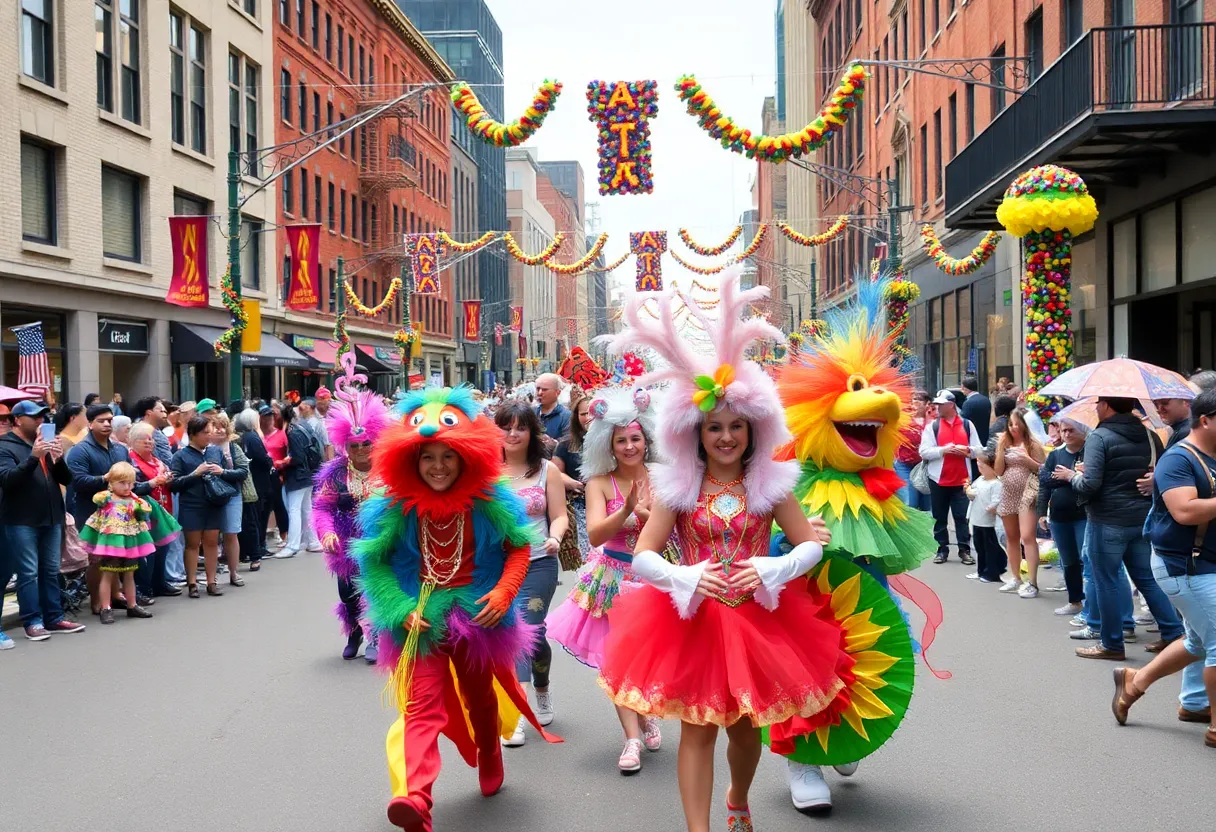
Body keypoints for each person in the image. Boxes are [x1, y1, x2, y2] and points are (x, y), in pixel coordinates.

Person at [598, 271, 889, 832]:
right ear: (694, 433)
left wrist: (774, 566)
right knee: (697, 728)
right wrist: (684, 576)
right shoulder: (676, 487)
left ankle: (737, 797)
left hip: (761, 618)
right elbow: (643, 557)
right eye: (714, 428)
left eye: (735, 426)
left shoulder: (771, 485)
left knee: (745, 730)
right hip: (691, 620)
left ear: (754, 430)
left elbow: (807, 546)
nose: (725, 437)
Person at [352, 385, 560, 832]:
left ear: (466, 456)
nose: (438, 466)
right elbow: (375, 563)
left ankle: (489, 752)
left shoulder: (491, 499)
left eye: (448, 455)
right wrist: (398, 607)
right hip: (421, 620)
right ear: (412, 459)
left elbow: (519, 551)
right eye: (428, 456)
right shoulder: (392, 506)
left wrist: (503, 593)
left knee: (480, 698)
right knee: (421, 708)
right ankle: (416, 799)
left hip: (478, 620)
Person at [547, 386, 664, 772]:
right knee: (618, 661)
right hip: (612, 578)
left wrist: (648, 515)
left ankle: (646, 713)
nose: (630, 446)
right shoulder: (600, 481)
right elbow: (595, 534)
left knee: (649, 659)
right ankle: (631, 739)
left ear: (647, 440)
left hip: (654, 577)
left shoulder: (663, 477)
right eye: (621, 441)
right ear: (607, 445)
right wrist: (629, 511)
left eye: (635, 438)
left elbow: (677, 528)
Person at [1111, 388, 1216, 747]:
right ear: (1206, 420)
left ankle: (1135, 683)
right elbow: (1184, 511)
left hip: (1205, 564)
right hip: (1183, 567)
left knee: (1199, 640)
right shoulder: (1179, 459)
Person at [1069, 397, 1184, 660]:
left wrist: (1073, 477)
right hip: (1141, 517)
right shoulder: (1149, 434)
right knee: (1146, 578)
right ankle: (1173, 633)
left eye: (1099, 403)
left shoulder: (1100, 436)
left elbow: (1090, 484)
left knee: (1107, 581)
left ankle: (1111, 644)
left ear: (1107, 406)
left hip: (1107, 519)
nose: (1096, 407)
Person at [494, 400, 570, 746]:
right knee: (513, 635)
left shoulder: (545, 471)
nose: (512, 434)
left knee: (529, 630)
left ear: (531, 432)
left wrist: (555, 536)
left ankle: (533, 697)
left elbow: (559, 515)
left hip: (539, 562)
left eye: (520, 427)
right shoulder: (483, 470)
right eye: (505, 427)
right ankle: (523, 704)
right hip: (494, 566)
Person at [313, 358, 391, 661]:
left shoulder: (389, 470)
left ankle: (375, 636)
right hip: (345, 543)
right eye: (354, 445)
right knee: (348, 593)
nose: (360, 450)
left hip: (380, 540)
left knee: (376, 588)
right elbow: (322, 508)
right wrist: (327, 532)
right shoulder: (335, 473)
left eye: (366, 443)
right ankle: (354, 631)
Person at [0, 400, 85, 640]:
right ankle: (32, 621)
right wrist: (33, 458)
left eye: (42, 416)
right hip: (21, 520)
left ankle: (54, 618)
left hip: (51, 517)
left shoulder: (44, 445)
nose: (41, 420)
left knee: (50, 570)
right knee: (29, 573)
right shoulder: (5, 447)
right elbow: (7, 480)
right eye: (34, 417)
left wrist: (57, 459)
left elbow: (67, 480)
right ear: (17, 420)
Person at [68, 405, 157, 613]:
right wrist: (105, 479)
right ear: (90, 424)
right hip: (92, 512)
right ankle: (98, 603)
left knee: (119, 556)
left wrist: (144, 485)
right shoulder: (80, 450)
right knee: (96, 559)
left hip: (122, 515)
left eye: (110, 419)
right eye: (101, 420)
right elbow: (78, 481)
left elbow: (130, 478)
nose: (107, 424)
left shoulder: (119, 449)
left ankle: (116, 596)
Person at [78, 462, 180, 624]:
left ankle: (132, 605)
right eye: (122, 483)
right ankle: (106, 607)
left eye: (130, 483)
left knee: (129, 574)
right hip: (111, 544)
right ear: (111, 483)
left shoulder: (135, 500)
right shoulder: (106, 499)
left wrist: (141, 509)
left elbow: (142, 517)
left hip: (130, 543)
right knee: (108, 574)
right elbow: (97, 519)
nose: (127, 487)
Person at [919, 389, 985, 565]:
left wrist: (967, 450)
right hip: (938, 479)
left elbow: (979, 449)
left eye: (941, 404)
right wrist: (944, 450)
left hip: (962, 480)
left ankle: (965, 550)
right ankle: (941, 549)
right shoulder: (932, 427)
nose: (937, 407)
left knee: (961, 517)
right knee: (939, 517)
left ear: (951, 405)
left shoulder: (967, 425)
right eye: (936, 404)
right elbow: (924, 452)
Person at [170, 416, 229, 598]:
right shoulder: (180, 455)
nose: (209, 436)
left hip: (213, 503)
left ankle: (212, 581)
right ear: (193, 434)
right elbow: (174, 484)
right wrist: (195, 474)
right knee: (192, 544)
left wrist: (222, 472)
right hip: (191, 505)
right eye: (205, 433)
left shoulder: (215, 452)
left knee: (212, 543)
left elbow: (228, 474)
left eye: (210, 432)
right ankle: (192, 583)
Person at [1038, 418, 1088, 615]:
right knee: (1068, 561)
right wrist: (1041, 512)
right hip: (1059, 515)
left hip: (1083, 514)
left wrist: (1068, 476)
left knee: (1086, 559)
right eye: (1063, 430)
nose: (1066, 434)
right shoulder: (1056, 455)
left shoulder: (1089, 453)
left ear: (1083, 432)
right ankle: (1075, 601)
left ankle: (1090, 606)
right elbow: (1044, 482)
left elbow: (1090, 481)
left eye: (1071, 430)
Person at [994, 408, 1046, 597]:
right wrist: (1001, 449)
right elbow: (998, 471)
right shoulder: (1005, 443)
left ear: (1025, 424)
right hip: (1008, 493)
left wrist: (1026, 459)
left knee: (1027, 536)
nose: (1014, 427)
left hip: (1028, 494)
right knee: (1011, 537)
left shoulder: (1033, 444)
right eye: (1011, 424)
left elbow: (1043, 471)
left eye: (1017, 423)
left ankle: (1032, 582)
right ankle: (1015, 577)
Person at [128, 422, 181, 598]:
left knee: (163, 548)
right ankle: (144, 587)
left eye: (151, 439)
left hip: (163, 508)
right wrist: (154, 482)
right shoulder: (132, 461)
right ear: (133, 441)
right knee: (147, 552)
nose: (149, 442)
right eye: (144, 439)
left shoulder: (157, 461)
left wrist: (169, 479)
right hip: (144, 513)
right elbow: (134, 487)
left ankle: (160, 583)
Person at [208, 413, 249, 586]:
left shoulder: (233, 448)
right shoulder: (204, 448)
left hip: (232, 495)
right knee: (210, 537)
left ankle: (234, 573)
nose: (219, 429)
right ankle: (212, 578)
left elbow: (243, 471)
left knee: (231, 533)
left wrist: (223, 472)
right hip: (209, 496)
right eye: (215, 426)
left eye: (222, 426)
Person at [552, 388, 592, 556]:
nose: (588, 417)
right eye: (583, 414)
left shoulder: (614, 442)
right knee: (588, 556)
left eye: (592, 412)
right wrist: (570, 482)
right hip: (580, 508)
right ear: (576, 416)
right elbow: (554, 473)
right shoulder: (565, 445)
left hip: (610, 506)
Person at [279, 404, 322, 558]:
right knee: (305, 509)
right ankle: (313, 542)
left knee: (294, 510)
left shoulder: (292, 431)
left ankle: (292, 545)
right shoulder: (302, 427)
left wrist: (283, 462)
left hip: (298, 476)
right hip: (307, 475)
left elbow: (297, 456)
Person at [235, 409, 272, 569]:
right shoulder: (251, 437)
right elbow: (262, 458)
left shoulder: (246, 436)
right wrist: (269, 460)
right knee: (256, 517)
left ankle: (248, 551)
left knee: (253, 518)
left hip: (255, 481)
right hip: (258, 481)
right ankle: (257, 549)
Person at [967, 448, 1005, 583]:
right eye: (978, 464)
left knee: (991, 548)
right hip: (977, 519)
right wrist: (968, 491)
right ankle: (980, 570)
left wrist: (992, 507)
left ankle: (992, 573)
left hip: (989, 522)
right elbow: (972, 491)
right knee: (979, 547)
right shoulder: (979, 480)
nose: (980, 467)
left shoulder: (996, 483)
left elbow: (997, 500)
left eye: (983, 465)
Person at [895, 389, 931, 510]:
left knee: (927, 503)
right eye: (913, 399)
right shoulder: (903, 418)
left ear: (927, 403)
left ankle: (926, 527)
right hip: (904, 463)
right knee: (910, 500)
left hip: (925, 465)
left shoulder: (933, 420)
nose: (915, 402)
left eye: (919, 399)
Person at [262, 403, 289, 550]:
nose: (268, 420)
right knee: (265, 507)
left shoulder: (281, 434)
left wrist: (281, 465)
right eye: (265, 417)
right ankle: (266, 536)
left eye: (270, 416)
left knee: (279, 505)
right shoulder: (259, 435)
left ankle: (285, 535)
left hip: (278, 475)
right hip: (263, 474)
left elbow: (289, 454)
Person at [961, 374, 993, 475]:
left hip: (972, 441)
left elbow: (963, 422)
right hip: (984, 437)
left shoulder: (968, 403)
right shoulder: (986, 400)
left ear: (965, 388)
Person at [534, 373, 570, 450]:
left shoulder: (567, 416)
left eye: (544, 389)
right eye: (538, 389)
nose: (540, 393)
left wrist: (554, 443)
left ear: (558, 392)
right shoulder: (531, 413)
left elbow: (569, 443)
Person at [297, 397, 333, 464]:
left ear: (309, 408)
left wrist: (329, 464)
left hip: (316, 461)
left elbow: (327, 445)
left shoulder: (317, 424)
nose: (300, 411)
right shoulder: (299, 422)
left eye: (302, 408)